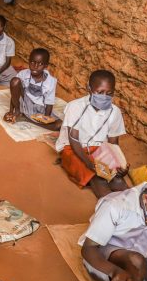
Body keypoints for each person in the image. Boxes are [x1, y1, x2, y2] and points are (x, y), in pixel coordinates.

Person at [55, 69, 128, 198]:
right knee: (96, 177)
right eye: (100, 92)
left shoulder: (114, 112)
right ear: (89, 88)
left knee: (117, 180)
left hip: (99, 149)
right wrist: (89, 163)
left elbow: (113, 144)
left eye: (109, 93)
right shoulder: (75, 107)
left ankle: (133, 207)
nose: (104, 96)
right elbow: (74, 139)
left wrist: (119, 165)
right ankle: (110, 207)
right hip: (72, 149)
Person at [3, 48, 62, 131]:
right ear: (29, 62)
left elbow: (49, 102)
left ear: (46, 66)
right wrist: (10, 111)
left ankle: (26, 119)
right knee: (14, 81)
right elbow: (14, 92)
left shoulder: (51, 81)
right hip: (24, 103)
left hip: (40, 109)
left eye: (40, 64)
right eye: (32, 62)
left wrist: (46, 118)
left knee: (59, 125)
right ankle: (18, 112)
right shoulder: (23, 74)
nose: (35, 66)